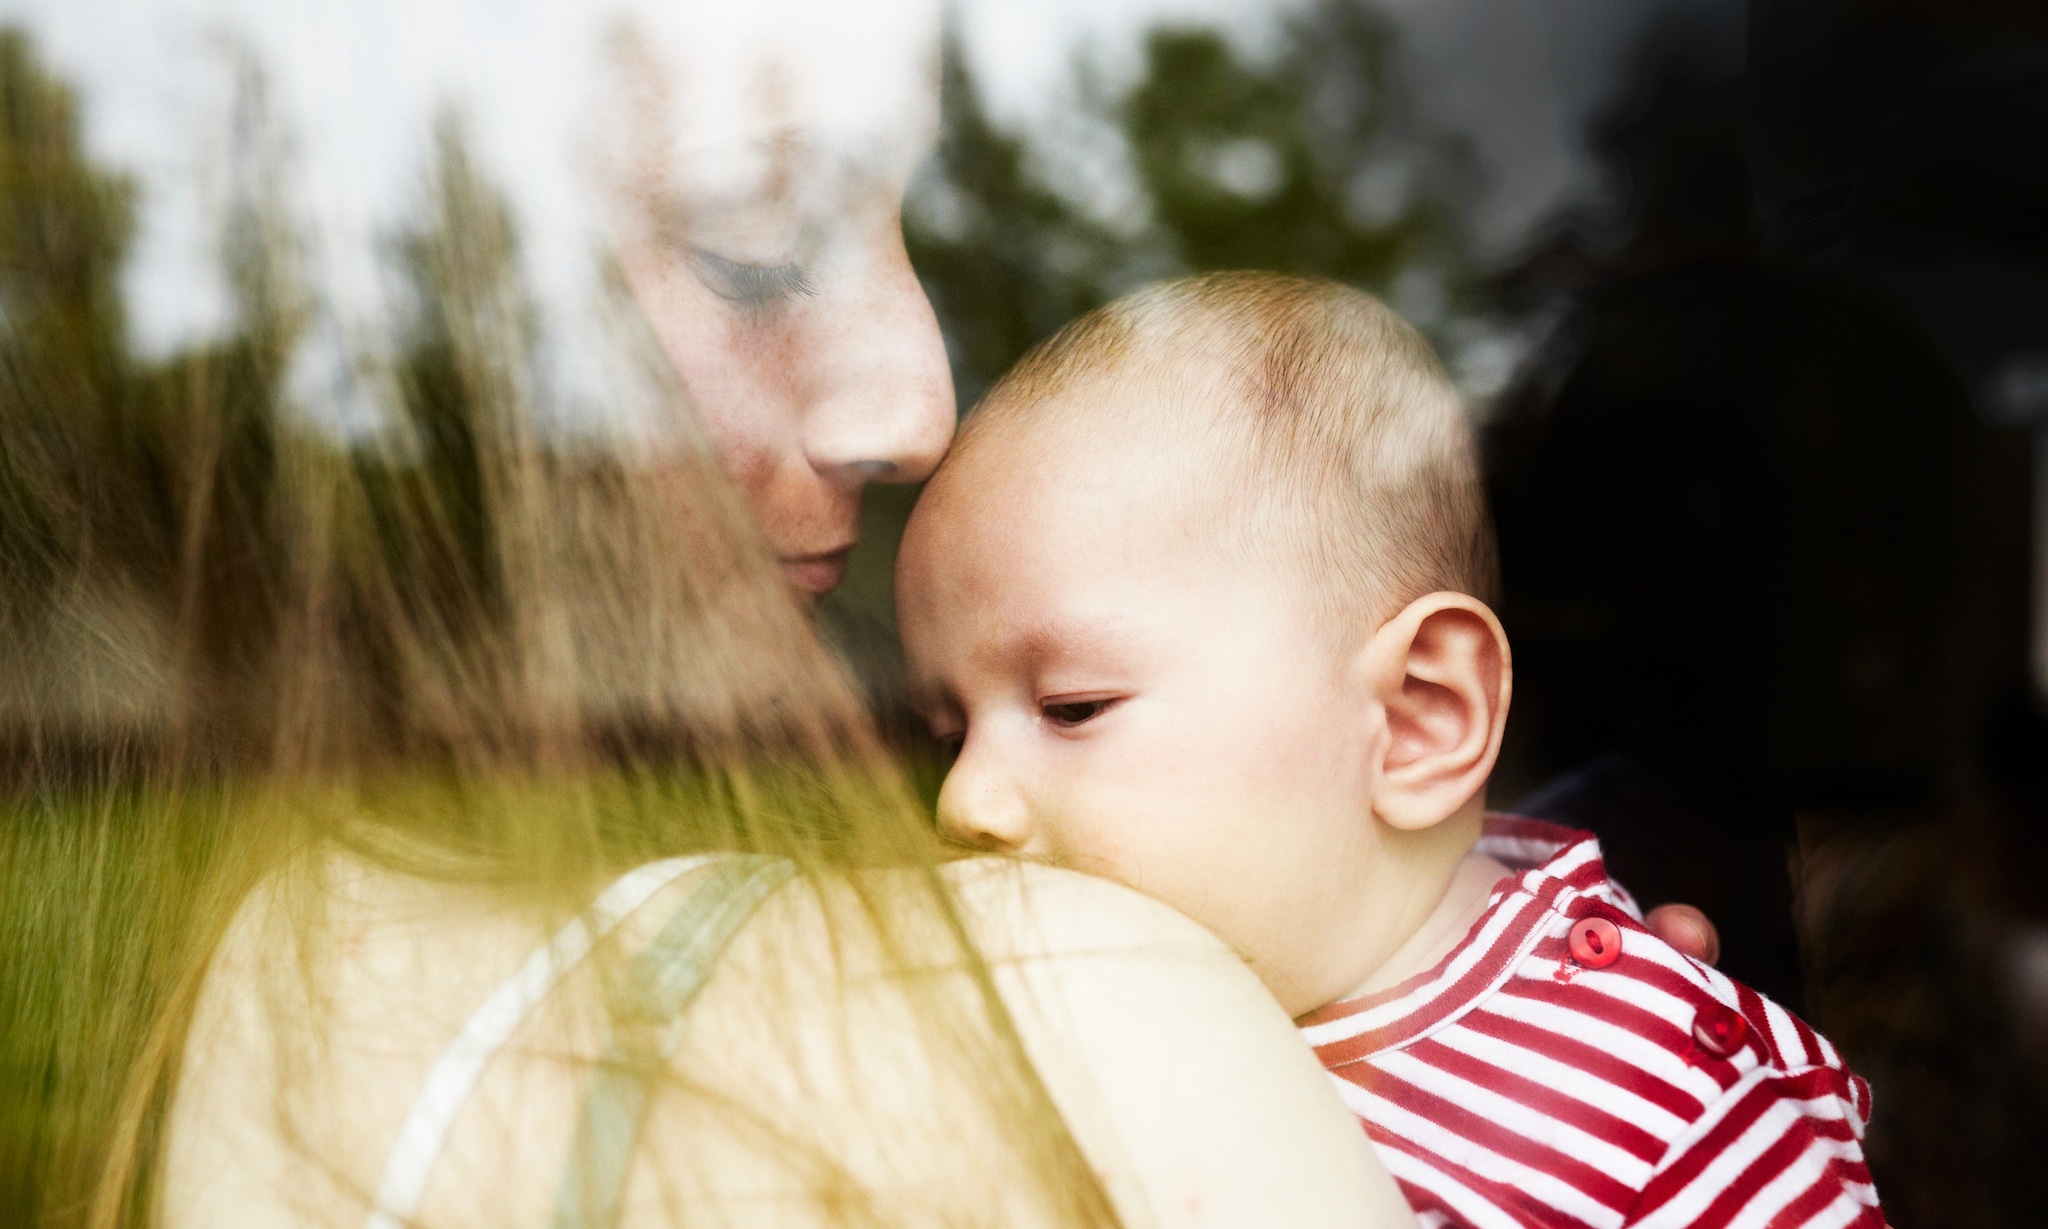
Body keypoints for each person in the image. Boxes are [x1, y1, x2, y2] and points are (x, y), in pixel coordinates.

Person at [1, 4, 1414, 1228]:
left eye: (906, 217)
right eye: (753, 250)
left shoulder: (161, 999)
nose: (919, 405)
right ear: (371, 309)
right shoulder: (1090, 1034)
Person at [895, 271, 1883, 1229]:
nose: (964, 801)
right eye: (948, 737)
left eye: (1071, 706)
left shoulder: (1632, 1092)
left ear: (1415, 719)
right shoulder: (1097, 1027)